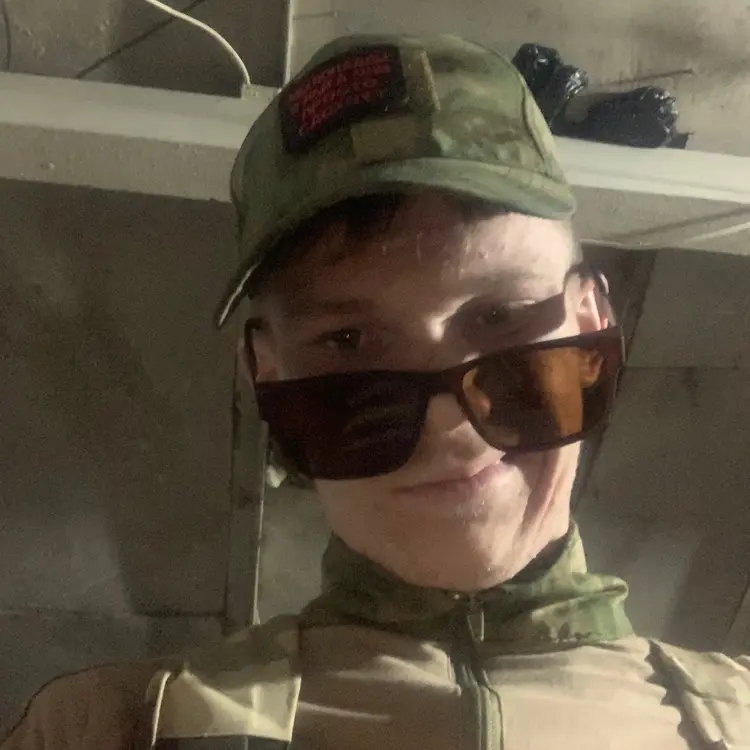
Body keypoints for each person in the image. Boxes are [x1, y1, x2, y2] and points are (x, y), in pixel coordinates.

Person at [3, 33, 749, 750]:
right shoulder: (108, 732)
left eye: (499, 317)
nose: (449, 426)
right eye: (349, 341)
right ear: (269, 381)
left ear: (591, 328)